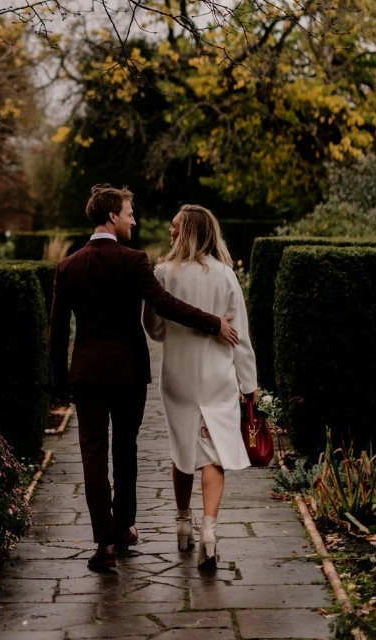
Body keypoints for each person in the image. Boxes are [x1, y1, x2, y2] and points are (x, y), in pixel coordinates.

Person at [49, 185, 239, 574]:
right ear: (111, 216)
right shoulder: (133, 261)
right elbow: (166, 306)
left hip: (86, 374)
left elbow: (55, 335)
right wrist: (214, 322)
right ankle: (124, 529)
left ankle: (104, 543)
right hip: (127, 373)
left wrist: (58, 384)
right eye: (129, 212)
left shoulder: (68, 266)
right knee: (125, 450)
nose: (133, 219)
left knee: (92, 456)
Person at [143, 204, 258, 570]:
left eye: (175, 226)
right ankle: (209, 529)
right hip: (216, 376)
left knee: (182, 446)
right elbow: (240, 338)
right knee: (212, 452)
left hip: (177, 374)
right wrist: (249, 384)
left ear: (190, 231)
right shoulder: (226, 276)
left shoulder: (162, 273)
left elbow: (155, 330)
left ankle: (182, 524)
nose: (170, 231)